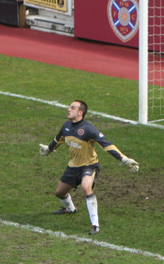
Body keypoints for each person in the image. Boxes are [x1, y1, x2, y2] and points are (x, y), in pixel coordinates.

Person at [38, 100, 139, 236]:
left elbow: (106, 144)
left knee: (86, 187)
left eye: (72, 108)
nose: (69, 109)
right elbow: (58, 139)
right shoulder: (66, 126)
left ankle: (95, 224)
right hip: (73, 166)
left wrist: (123, 159)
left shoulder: (89, 129)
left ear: (80, 113)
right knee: (59, 193)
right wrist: (49, 149)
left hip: (89, 165)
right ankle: (70, 209)